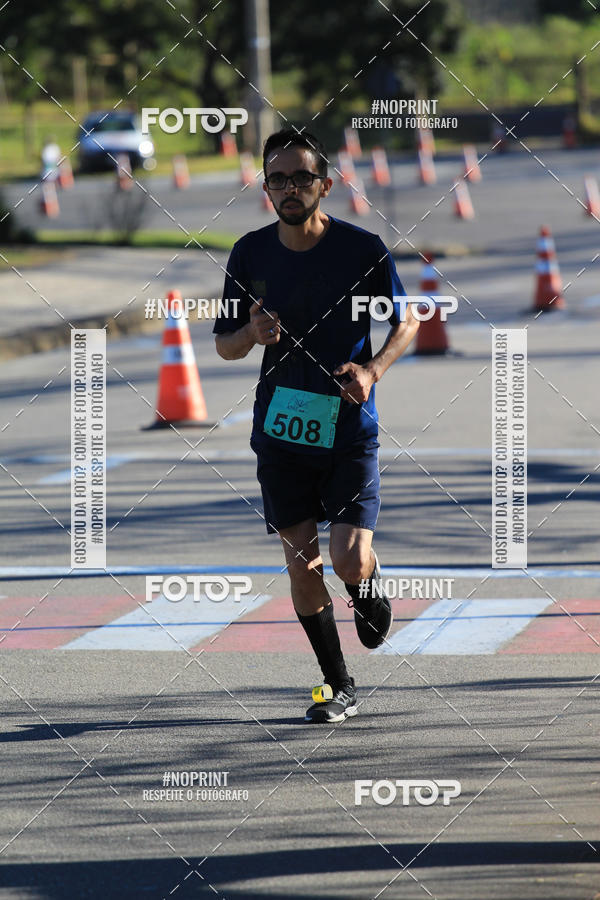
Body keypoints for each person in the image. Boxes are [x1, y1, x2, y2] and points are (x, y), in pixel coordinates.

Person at [214, 128, 419, 723]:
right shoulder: (249, 255)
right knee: (302, 564)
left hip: (349, 422)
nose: (289, 188)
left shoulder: (362, 250)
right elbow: (226, 346)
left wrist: (375, 370)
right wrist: (250, 334)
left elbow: (406, 324)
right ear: (265, 188)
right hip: (282, 429)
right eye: (277, 178)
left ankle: (368, 586)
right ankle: (337, 686)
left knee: (349, 559)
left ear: (324, 185)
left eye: (301, 178)